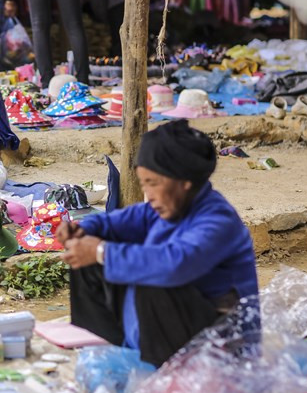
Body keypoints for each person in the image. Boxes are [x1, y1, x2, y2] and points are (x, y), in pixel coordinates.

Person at [57, 120, 258, 367]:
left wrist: (99, 250)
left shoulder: (218, 220)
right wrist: (80, 230)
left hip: (220, 347)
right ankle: (110, 343)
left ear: (183, 182)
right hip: (174, 331)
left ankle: (160, 368)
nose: (147, 194)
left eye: (153, 183)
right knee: (89, 251)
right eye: (144, 184)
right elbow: (110, 223)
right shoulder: (159, 209)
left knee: (147, 271)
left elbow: (174, 263)